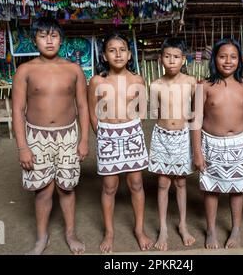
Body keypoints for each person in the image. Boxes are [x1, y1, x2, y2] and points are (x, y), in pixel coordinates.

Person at [12, 17, 89, 255]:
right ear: (34, 40)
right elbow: (17, 110)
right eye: (43, 36)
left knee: (66, 188)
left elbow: (83, 107)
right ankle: (42, 237)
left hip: (67, 136)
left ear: (61, 40)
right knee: (43, 190)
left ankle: (70, 233)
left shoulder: (74, 69)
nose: (49, 40)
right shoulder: (25, 70)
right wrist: (23, 147)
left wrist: (84, 140)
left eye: (54, 36)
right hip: (37, 137)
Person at [87, 32, 153, 253]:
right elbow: (92, 112)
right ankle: (109, 232)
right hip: (107, 135)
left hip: (132, 133)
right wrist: (103, 133)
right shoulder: (97, 80)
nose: (118, 54)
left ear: (129, 53)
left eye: (122, 49)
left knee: (136, 184)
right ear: (104, 56)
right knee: (109, 186)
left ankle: (139, 229)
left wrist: (130, 128)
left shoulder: (137, 79)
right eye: (112, 50)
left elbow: (142, 109)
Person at [192, 38, 243, 249]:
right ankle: (211, 230)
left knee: (236, 189)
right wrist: (197, 153)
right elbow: (196, 121)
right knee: (212, 189)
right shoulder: (205, 86)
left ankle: (235, 229)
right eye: (222, 56)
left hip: (240, 143)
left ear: (239, 60)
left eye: (233, 57)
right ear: (214, 59)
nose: (228, 61)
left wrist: (235, 121)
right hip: (212, 144)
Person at [148, 38, 197, 251]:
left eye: (176, 57)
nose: (171, 61)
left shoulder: (191, 82)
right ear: (160, 60)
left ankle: (182, 224)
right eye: (167, 56)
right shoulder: (155, 85)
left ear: (183, 60)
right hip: (161, 136)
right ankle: (163, 229)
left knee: (181, 183)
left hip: (183, 137)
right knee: (162, 183)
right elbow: (154, 112)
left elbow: (197, 113)